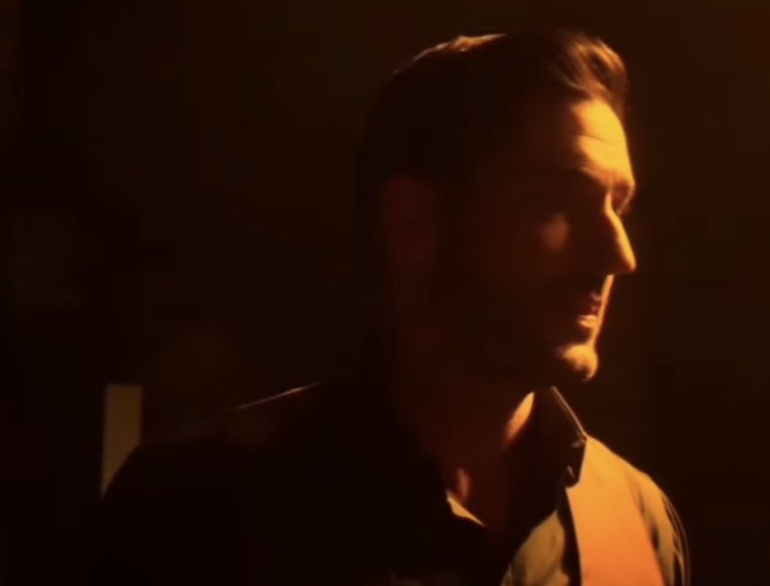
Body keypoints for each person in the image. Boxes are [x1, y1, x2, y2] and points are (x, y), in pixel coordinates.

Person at [90, 31, 690, 586]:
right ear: (413, 226)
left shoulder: (638, 520)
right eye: (558, 201)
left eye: (618, 206)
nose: (619, 255)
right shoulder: (202, 505)